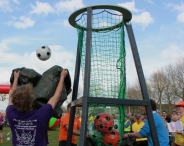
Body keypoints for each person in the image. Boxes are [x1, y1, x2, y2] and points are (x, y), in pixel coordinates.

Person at [6, 69, 69, 146]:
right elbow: (56, 97)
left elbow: (11, 99)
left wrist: (15, 79)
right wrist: (62, 77)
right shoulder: (41, 115)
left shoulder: (11, 114)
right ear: (32, 99)